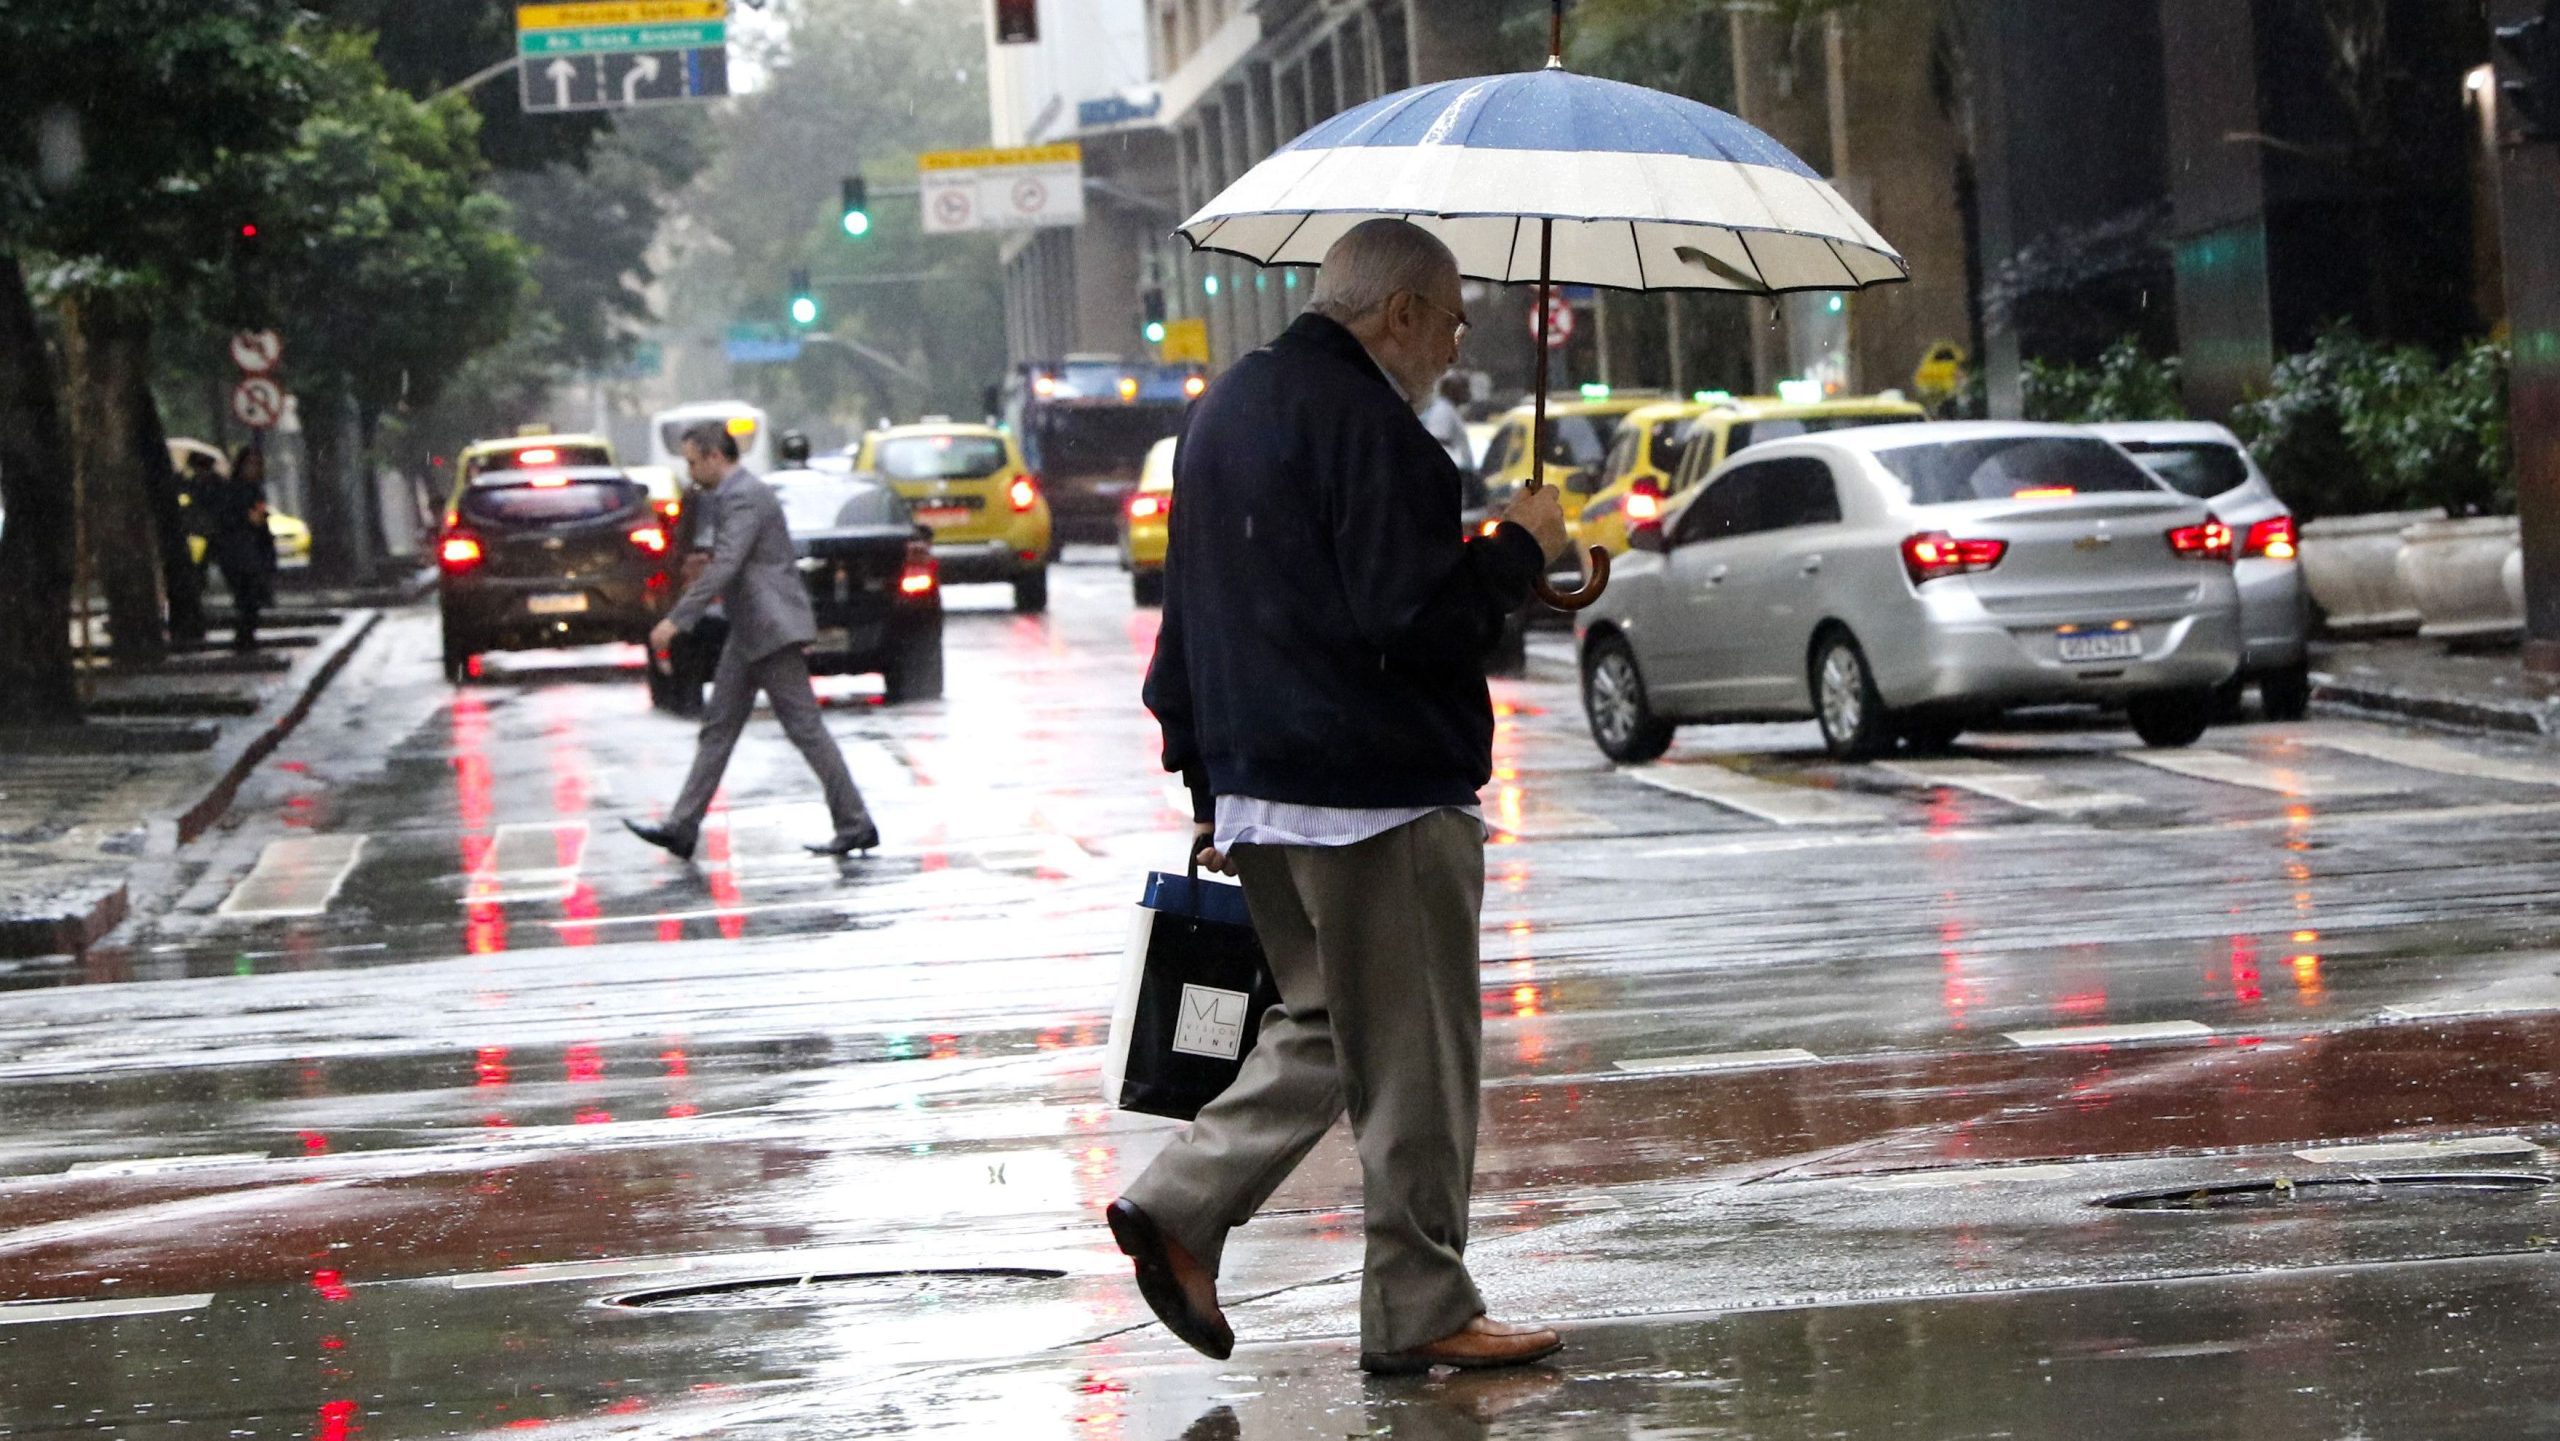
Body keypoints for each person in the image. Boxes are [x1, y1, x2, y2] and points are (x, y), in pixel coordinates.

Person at [1109, 218, 1571, 1376]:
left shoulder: (1220, 415)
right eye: (1453, 319)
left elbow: (1191, 622)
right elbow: (1411, 623)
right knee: (1414, 1058)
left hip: (1265, 793)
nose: (1454, 347)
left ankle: (1181, 1201)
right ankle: (1418, 1303)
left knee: (1322, 1025)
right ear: (1399, 312)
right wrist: (1516, 550)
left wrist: (1210, 778)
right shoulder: (1384, 435)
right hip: (1380, 797)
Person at [627, 421, 878, 861]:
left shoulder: (743, 495)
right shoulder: (728, 495)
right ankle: (682, 828)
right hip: (750, 630)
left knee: (805, 730)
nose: (689, 472)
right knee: (718, 730)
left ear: (713, 456)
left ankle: (855, 823)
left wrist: (678, 620)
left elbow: (725, 564)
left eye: (691, 462)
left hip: (770, 628)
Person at [206, 445, 280, 652]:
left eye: (258, 465)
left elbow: (262, 526)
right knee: (246, 597)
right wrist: (246, 520)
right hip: (237, 553)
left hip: (252, 552)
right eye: (251, 464)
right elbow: (225, 520)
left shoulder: (256, 490)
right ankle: (243, 639)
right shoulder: (231, 490)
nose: (254, 469)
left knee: (252, 598)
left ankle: (246, 637)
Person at [1421, 372, 1474, 472]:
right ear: (1450, 390)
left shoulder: (1450, 410)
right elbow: (1439, 441)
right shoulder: (1442, 411)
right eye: (1463, 388)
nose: (1467, 392)